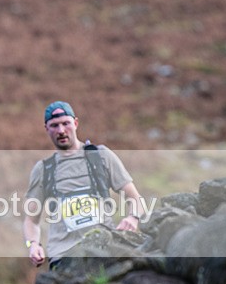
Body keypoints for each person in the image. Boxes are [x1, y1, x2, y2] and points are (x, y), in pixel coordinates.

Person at [22, 100, 145, 271]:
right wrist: (33, 244)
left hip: (103, 248)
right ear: (46, 128)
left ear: (76, 123)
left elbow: (135, 198)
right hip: (63, 255)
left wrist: (133, 218)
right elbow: (31, 220)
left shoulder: (101, 156)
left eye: (66, 123)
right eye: (54, 125)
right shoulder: (43, 169)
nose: (61, 130)